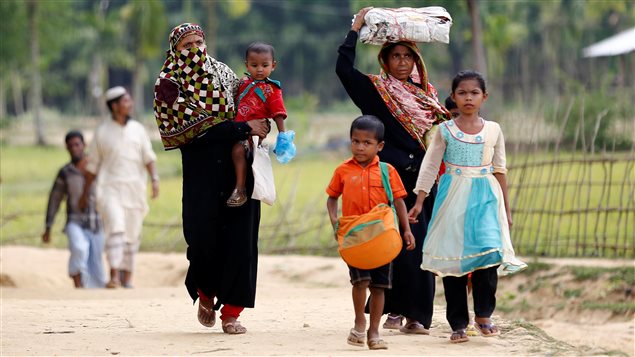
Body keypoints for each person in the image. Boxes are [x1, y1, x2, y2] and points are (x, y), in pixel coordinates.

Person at [336, 7, 451, 334]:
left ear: (416, 61)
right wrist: (355, 30)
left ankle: (418, 316)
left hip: (424, 182)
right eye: (395, 56)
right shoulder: (375, 91)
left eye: (408, 56)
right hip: (388, 181)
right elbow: (343, 69)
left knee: (420, 243)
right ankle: (393, 309)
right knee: (391, 242)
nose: (402, 61)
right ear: (384, 61)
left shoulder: (427, 96)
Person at [153, 23, 269, 334]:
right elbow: (196, 130)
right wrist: (244, 128)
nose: (195, 49)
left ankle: (232, 313)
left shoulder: (224, 72)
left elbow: (247, 105)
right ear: (175, 50)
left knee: (242, 241)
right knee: (203, 240)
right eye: (187, 44)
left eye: (198, 41)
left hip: (238, 173)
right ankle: (205, 292)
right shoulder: (168, 85)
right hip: (201, 175)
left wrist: (264, 118)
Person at [408, 70, 527, 343]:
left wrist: (506, 211)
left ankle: (484, 315)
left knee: (488, 253)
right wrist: (419, 201)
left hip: (486, 197)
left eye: (474, 93)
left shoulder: (494, 130)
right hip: (453, 198)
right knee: (454, 260)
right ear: (454, 97)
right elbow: (429, 166)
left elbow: (500, 170)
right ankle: (458, 323)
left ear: (484, 97)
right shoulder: (444, 130)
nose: (468, 98)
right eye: (462, 93)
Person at [326, 115, 415, 350]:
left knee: (378, 287)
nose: (360, 147)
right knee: (360, 282)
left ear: (380, 146)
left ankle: (374, 332)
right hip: (355, 237)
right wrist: (335, 223)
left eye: (367, 142)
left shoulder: (387, 171)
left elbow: (398, 202)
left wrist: (406, 230)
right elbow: (332, 198)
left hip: (381, 238)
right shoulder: (343, 170)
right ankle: (359, 322)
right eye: (355, 141)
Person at [79, 86, 159, 289]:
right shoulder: (102, 132)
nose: (129, 104)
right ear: (114, 106)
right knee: (116, 228)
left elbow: (148, 158)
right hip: (109, 189)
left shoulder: (138, 130)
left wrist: (155, 180)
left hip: (135, 189)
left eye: (129, 100)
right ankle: (113, 275)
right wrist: (84, 192)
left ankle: (127, 278)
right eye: (125, 101)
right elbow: (93, 166)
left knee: (132, 232)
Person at [227, 41, 287, 207]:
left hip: (254, 133)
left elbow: (278, 113)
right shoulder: (242, 84)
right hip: (238, 129)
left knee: (239, 151)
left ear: (273, 66)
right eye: (254, 65)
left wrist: (283, 135)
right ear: (247, 65)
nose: (259, 69)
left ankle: (240, 189)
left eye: (264, 65)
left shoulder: (272, 89)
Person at [42, 130, 105, 288]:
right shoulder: (65, 173)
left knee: (96, 265)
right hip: (74, 221)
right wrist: (48, 226)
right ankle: (77, 284)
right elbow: (55, 199)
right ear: (66, 148)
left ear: (84, 145)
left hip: (96, 221)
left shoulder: (96, 167)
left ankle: (93, 297)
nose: (74, 148)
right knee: (79, 247)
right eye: (70, 146)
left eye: (77, 144)